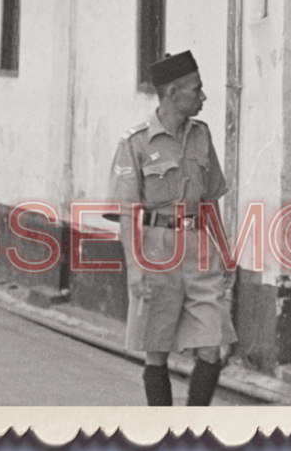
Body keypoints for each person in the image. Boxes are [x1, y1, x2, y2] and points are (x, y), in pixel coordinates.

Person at [110, 50, 236, 407]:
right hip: (155, 252)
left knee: (213, 348)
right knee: (156, 353)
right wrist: (135, 269)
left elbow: (210, 200)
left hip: (199, 249)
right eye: (196, 90)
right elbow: (126, 212)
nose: (203, 97)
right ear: (171, 93)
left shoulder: (201, 136)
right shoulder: (135, 143)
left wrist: (225, 254)